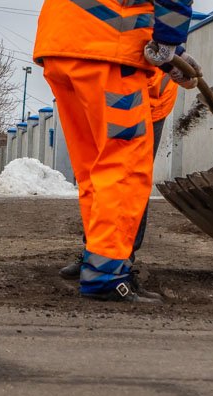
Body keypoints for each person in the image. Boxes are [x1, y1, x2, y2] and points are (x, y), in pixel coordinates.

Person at [33, 0, 213, 303]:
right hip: (104, 52)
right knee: (124, 163)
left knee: (95, 165)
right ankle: (106, 277)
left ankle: (95, 256)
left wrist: (169, 56)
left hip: (61, 49)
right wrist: (170, 40)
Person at [57, 68, 178, 299]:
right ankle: (98, 258)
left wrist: (174, 57)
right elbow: (164, 38)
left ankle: (119, 260)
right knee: (112, 176)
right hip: (122, 79)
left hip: (144, 93)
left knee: (126, 178)